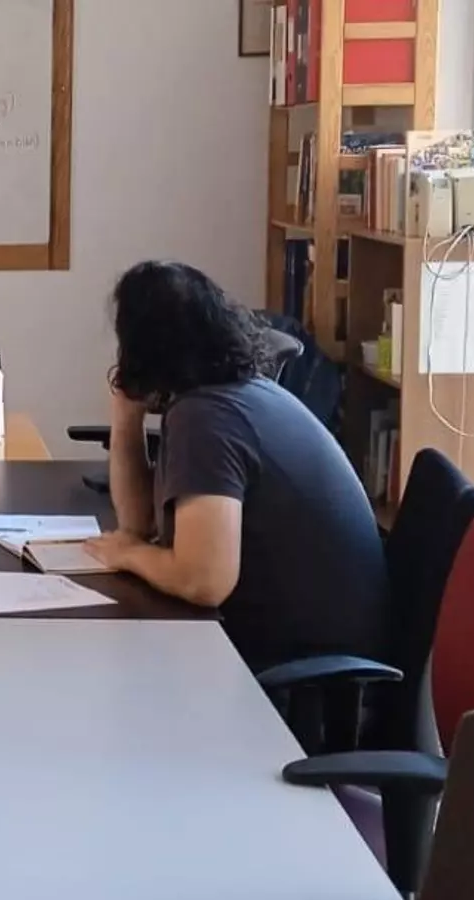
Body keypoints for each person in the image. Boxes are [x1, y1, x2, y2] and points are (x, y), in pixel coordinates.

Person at [83, 261, 389, 668]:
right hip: (317, 641)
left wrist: (131, 555)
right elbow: (139, 524)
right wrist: (126, 416)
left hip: (306, 668)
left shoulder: (207, 418)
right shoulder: (229, 393)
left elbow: (204, 580)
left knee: (111, 669)